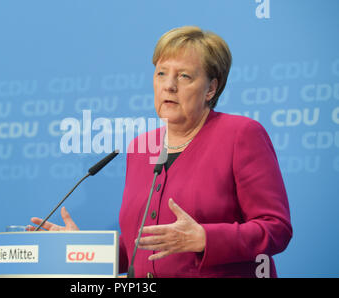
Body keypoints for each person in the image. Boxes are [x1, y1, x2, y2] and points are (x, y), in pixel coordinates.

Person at [29, 26, 292, 278]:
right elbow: (140, 248)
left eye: (184, 76)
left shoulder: (240, 134)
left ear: (211, 88)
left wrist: (203, 238)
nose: (169, 86)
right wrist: (85, 251)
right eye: (161, 74)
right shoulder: (141, 148)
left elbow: (276, 228)